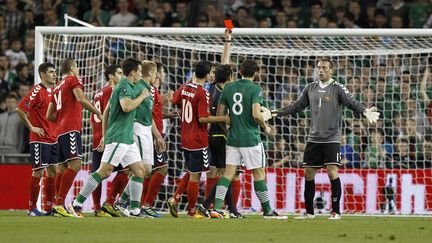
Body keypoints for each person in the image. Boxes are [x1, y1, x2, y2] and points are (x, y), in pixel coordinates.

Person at [272, 58, 380, 220]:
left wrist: (365, 111)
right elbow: (296, 106)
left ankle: (336, 211)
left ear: (332, 71)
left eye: (324, 68)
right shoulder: (310, 87)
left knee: (332, 171)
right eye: (318, 68)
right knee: (309, 173)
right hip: (314, 138)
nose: (320, 70)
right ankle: (309, 213)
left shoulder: (337, 88)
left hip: (331, 138)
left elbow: (351, 102)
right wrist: (275, 113)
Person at [69, 58, 150, 218]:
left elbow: (105, 112)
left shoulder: (128, 86)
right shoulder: (124, 87)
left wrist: (104, 134)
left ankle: (134, 211)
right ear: (133, 73)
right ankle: (76, 203)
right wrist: (142, 96)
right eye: (140, 71)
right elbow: (126, 107)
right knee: (104, 171)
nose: (141, 74)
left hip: (127, 138)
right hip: (118, 136)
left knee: (140, 171)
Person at [210, 59, 286, 219]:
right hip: (251, 139)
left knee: (227, 174)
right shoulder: (255, 89)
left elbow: (220, 115)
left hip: (232, 139)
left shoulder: (229, 88)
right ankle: (267, 211)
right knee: (258, 174)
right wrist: (266, 127)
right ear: (256, 74)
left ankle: (216, 209)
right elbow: (256, 114)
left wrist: (229, 129)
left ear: (240, 71)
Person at [167, 60, 229, 218]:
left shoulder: (185, 87)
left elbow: (174, 101)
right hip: (198, 139)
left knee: (191, 170)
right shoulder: (203, 93)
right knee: (196, 175)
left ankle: (176, 197)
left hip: (185, 138)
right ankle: (192, 211)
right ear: (208, 75)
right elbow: (203, 119)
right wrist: (223, 118)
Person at [46, 58, 102, 217]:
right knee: (76, 164)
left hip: (59, 131)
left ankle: (58, 206)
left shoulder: (56, 87)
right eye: (76, 67)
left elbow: (49, 115)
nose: (78, 70)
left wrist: (62, 119)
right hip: (70, 129)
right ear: (71, 69)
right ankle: (59, 203)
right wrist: (97, 112)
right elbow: (81, 98)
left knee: (62, 168)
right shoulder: (72, 79)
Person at [197, 30, 242, 218]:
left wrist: (228, 40)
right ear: (230, 77)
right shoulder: (227, 92)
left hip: (210, 136)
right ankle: (216, 207)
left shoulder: (210, 88)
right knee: (231, 174)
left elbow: (224, 64)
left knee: (216, 174)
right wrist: (229, 129)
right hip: (222, 136)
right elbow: (221, 116)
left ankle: (219, 208)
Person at [114, 60, 166, 218]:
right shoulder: (137, 88)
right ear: (150, 74)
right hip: (137, 129)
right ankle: (133, 207)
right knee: (140, 170)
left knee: (147, 170)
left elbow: (149, 118)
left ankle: (122, 201)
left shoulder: (149, 90)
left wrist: (158, 137)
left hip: (146, 130)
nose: (157, 76)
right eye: (156, 73)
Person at [16, 63, 57, 216]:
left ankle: (48, 208)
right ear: (42, 74)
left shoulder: (54, 90)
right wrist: (31, 127)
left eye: (55, 71)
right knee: (38, 172)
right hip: (39, 139)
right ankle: (32, 208)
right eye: (51, 72)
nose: (54, 74)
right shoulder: (36, 90)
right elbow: (20, 109)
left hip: (53, 138)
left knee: (52, 172)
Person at [89, 64, 128, 217]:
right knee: (127, 169)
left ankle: (97, 207)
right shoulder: (112, 91)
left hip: (97, 137)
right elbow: (108, 115)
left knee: (97, 173)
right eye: (119, 73)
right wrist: (106, 137)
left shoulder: (98, 92)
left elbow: (95, 118)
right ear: (111, 76)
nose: (122, 76)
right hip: (110, 137)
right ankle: (109, 202)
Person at [140, 62, 175, 218]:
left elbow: (154, 114)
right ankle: (146, 205)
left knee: (148, 172)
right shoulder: (152, 91)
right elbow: (148, 116)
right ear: (156, 74)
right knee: (161, 169)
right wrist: (157, 136)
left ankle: (141, 205)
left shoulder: (153, 91)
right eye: (163, 72)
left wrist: (168, 114)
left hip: (150, 133)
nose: (165, 75)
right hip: (152, 134)